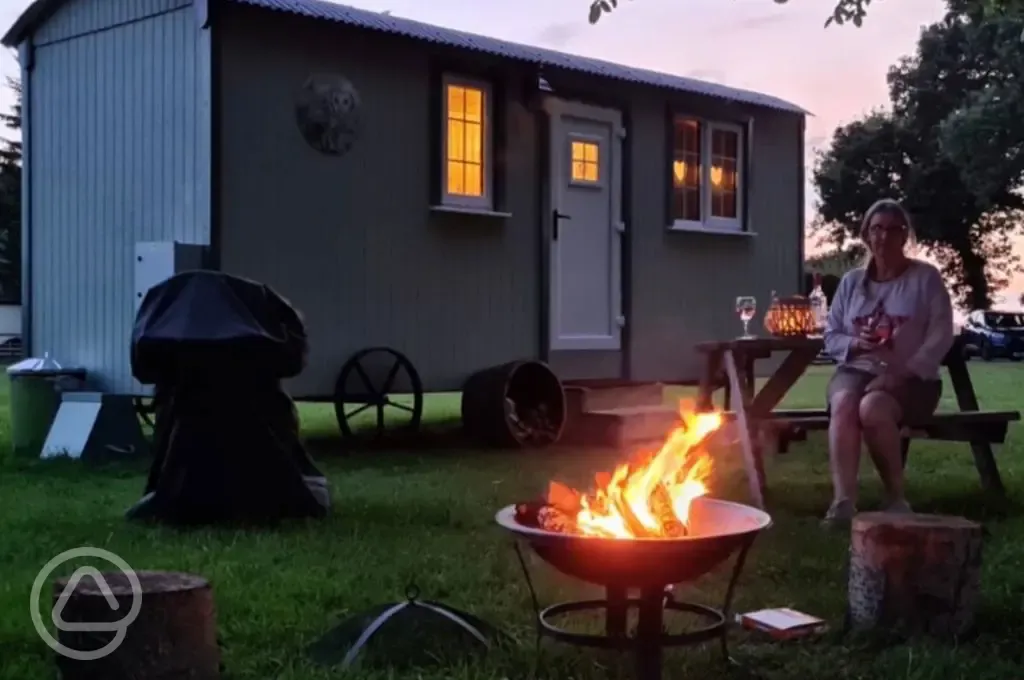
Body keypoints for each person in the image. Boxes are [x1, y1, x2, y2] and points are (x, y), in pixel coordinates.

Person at [821, 198, 955, 526]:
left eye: (892, 230)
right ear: (866, 234)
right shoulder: (852, 283)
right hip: (856, 370)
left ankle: (896, 499)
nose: (883, 237)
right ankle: (843, 503)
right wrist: (854, 342)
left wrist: (904, 373)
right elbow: (831, 335)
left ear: (904, 235)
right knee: (844, 404)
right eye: (876, 229)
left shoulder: (925, 278)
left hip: (913, 379)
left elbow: (941, 334)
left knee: (874, 408)